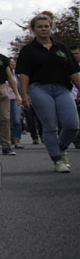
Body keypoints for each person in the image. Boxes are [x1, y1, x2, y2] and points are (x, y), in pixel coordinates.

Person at [17, 12, 80, 173]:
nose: (44, 29)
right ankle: (57, 159)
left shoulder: (61, 48)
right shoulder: (28, 50)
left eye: (47, 26)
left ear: (51, 27)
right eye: (40, 27)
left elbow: (72, 71)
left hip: (62, 88)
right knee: (50, 125)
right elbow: (24, 74)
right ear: (33, 29)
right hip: (39, 89)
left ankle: (61, 147)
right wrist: (24, 95)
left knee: (72, 124)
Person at [9, 57, 24, 148]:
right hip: (5, 99)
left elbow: (22, 87)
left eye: (14, 62)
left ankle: (17, 140)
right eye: (11, 62)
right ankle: (7, 139)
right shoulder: (3, 74)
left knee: (16, 120)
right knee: (6, 120)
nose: (13, 64)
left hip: (16, 98)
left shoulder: (18, 75)